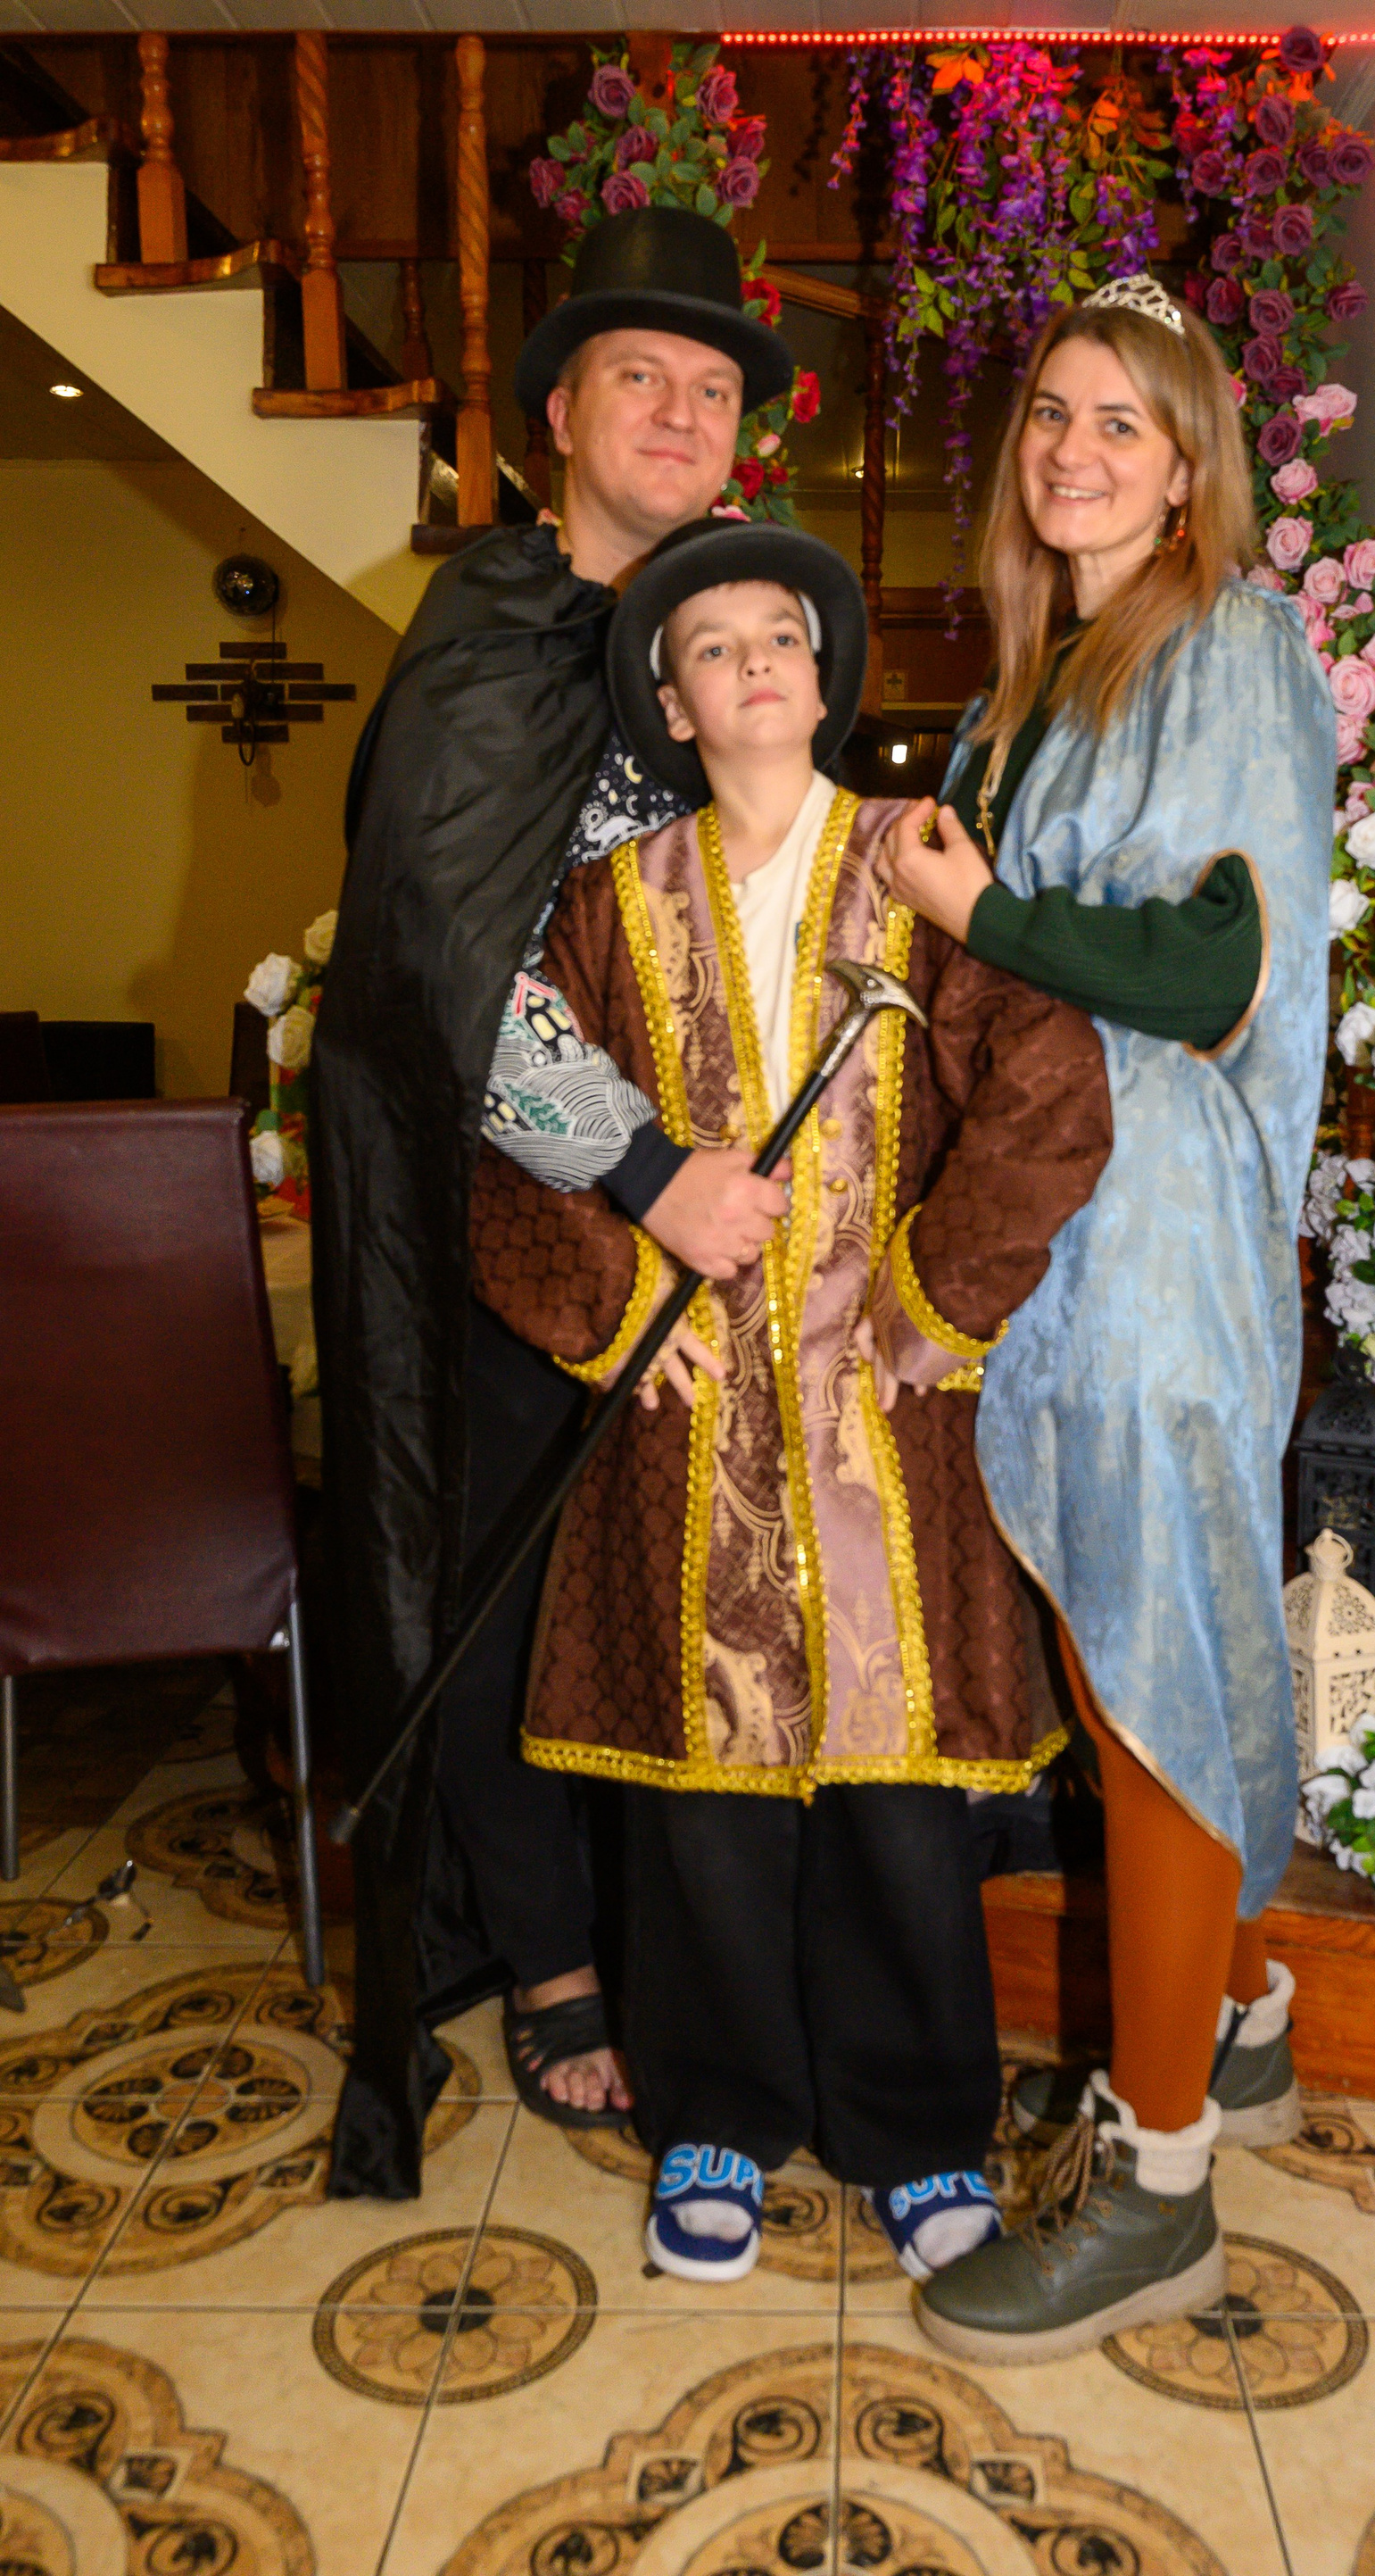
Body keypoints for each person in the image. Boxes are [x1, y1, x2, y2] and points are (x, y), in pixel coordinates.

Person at [467, 519, 1114, 2284]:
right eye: (712, 646)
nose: (753, 661)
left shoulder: (924, 864)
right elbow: (515, 1130)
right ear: (673, 706)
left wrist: (940, 1289)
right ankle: (719, 2113)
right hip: (684, 1419)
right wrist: (616, 1308)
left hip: (884, 1416)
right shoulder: (599, 910)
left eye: (780, 636)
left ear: (823, 680)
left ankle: (919, 2127)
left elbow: (1048, 1082)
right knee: (706, 1799)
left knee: (899, 1804)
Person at [313, 207, 799, 2196]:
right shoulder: (492, 622)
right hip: (524, 1229)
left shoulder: (732, 635)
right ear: (558, 422)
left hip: (717, 1232)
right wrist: (646, 1173)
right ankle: (556, 1959)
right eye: (639, 378)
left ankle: (698, 1949)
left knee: (686, 1601)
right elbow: (448, 959)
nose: (680, 411)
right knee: (502, 1598)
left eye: (714, 388)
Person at [874, 272, 1336, 2356]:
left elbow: (1214, 965)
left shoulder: (1225, 640)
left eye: (1121, 422)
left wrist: (975, 905)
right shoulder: (1036, 681)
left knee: (1145, 1684)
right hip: (1060, 1233)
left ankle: (1160, 2193)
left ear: (1189, 466)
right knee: (1125, 1647)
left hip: (1154, 1237)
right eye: (1052, 413)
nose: (1073, 449)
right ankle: (1235, 2021)